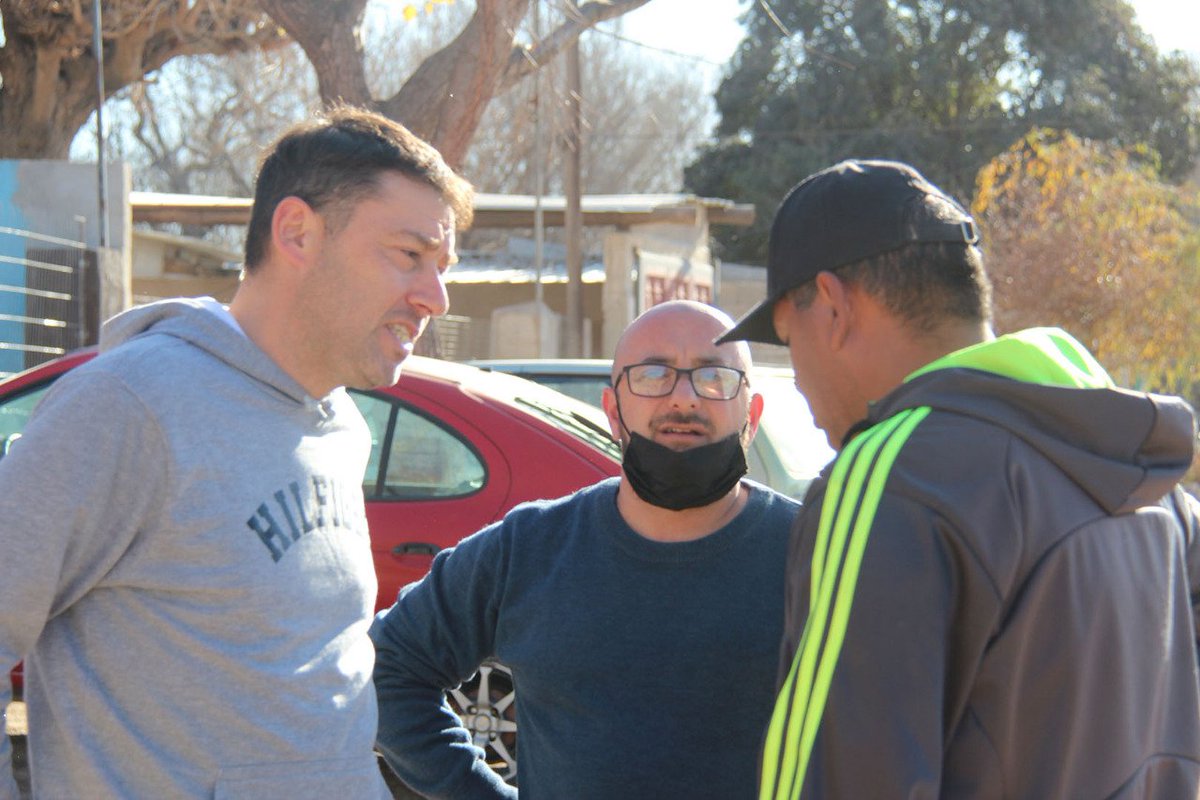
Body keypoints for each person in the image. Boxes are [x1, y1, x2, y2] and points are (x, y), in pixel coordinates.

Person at [0, 105, 473, 799]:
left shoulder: (342, 425)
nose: (436, 297)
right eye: (409, 255)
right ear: (297, 232)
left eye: (442, 266)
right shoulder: (128, 405)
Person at [717, 158, 1200, 798]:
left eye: (787, 338)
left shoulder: (891, 479)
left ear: (832, 306)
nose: (798, 379)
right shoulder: (1147, 482)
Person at [370, 299, 802, 799]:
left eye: (713, 376)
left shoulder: (810, 553)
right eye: (653, 375)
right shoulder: (529, 549)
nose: (684, 398)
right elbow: (389, 667)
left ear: (752, 412)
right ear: (613, 412)